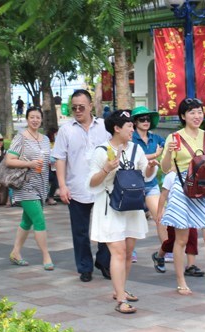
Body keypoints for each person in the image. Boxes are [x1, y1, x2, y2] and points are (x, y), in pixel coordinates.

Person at [86, 110, 157, 314]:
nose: (132, 129)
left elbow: (146, 175)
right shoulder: (102, 151)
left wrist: (151, 167)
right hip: (110, 207)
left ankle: (121, 290)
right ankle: (120, 300)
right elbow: (91, 182)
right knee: (117, 251)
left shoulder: (136, 149)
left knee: (127, 253)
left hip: (132, 207)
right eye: (129, 126)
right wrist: (107, 168)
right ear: (117, 128)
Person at [158, 97, 205, 297]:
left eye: (199, 112)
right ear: (183, 116)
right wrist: (169, 153)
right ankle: (181, 281)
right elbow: (165, 168)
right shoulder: (174, 138)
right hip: (181, 191)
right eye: (192, 112)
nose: (197, 116)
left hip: (204, 190)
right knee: (182, 239)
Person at [52, 89, 111, 282]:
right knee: (80, 231)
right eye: (74, 107)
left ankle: (104, 261)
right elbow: (60, 159)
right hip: (76, 187)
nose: (77, 111)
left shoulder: (104, 126)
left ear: (90, 106)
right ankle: (85, 267)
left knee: (106, 228)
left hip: (103, 186)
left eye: (81, 107)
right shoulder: (66, 130)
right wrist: (62, 186)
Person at [6, 106, 54, 271]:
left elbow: (47, 158)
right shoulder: (21, 137)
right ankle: (46, 256)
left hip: (41, 185)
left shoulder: (45, 139)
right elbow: (9, 160)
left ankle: (15, 252)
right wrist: (29, 163)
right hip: (25, 185)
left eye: (38, 117)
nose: (35, 120)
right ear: (27, 119)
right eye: (32, 117)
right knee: (39, 219)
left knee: (27, 220)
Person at [153, 171, 205, 278]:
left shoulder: (192, 174)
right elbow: (163, 195)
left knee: (192, 237)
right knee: (172, 240)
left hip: (190, 212)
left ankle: (191, 265)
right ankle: (159, 256)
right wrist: (159, 213)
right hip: (174, 213)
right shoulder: (170, 176)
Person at [130, 106, 164, 263]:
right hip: (133, 184)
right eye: (142, 119)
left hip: (151, 183)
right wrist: (155, 154)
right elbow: (136, 157)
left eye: (148, 119)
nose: (145, 122)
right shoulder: (131, 138)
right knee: (133, 218)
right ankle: (131, 251)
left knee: (160, 216)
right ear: (135, 122)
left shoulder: (156, 138)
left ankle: (166, 249)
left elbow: (168, 147)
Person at [46, 127, 58, 205]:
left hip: (56, 167)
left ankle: (50, 197)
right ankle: (50, 197)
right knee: (54, 179)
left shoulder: (58, 143)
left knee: (57, 179)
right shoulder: (47, 144)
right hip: (47, 167)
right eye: (56, 134)